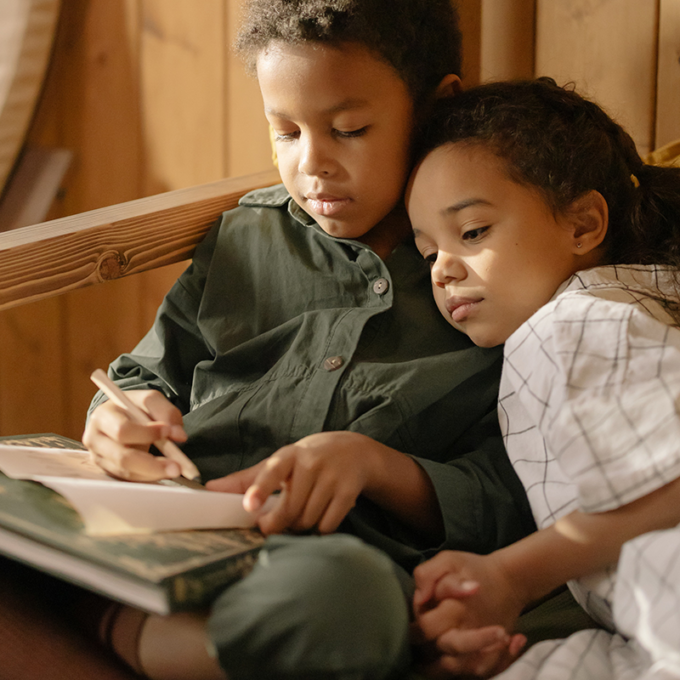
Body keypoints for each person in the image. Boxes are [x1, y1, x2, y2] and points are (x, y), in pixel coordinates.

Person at [74, 2, 539, 679]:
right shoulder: (244, 241)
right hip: (175, 525)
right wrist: (118, 419)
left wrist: (375, 466)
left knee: (345, 600)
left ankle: (106, 626)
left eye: (349, 130)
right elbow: (146, 374)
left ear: (435, 108)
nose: (313, 165)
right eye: (285, 131)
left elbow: (512, 494)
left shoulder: (488, 281)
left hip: (323, 567)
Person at [406, 77, 680, 679]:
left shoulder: (579, 322)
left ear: (582, 224)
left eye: (472, 232)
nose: (443, 271)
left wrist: (512, 574)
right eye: (427, 253)